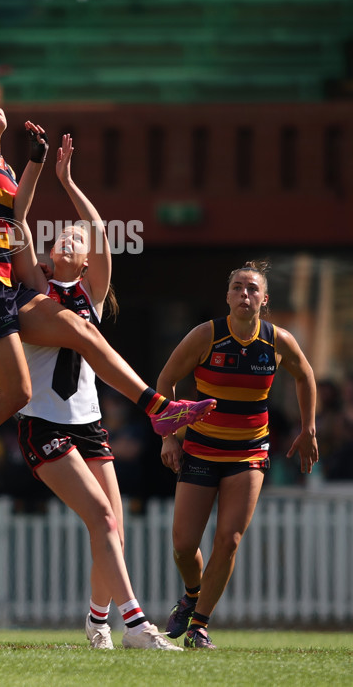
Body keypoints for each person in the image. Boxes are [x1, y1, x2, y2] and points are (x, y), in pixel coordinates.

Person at [0, 4, 216, 526]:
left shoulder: (3, 166)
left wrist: (35, 162)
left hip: (0, 287)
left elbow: (18, 215)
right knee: (18, 393)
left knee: (78, 329)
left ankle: (157, 408)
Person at [11, 130, 182, 651]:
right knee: (104, 519)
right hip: (43, 422)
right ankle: (137, 628)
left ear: (85, 262)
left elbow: (99, 228)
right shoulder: (37, 292)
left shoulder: (94, 296)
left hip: (88, 423)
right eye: (61, 236)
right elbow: (17, 220)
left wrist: (68, 180)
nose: (68, 238)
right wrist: (38, 169)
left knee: (114, 532)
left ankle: (96, 623)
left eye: (76, 241)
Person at [158, 260, 319, 649]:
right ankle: (192, 593)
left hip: (248, 452)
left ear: (264, 299)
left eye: (251, 289)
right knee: (183, 545)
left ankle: (199, 626)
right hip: (199, 447)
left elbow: (305, 375)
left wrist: (308, 428)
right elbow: (166, 380)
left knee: (229, 540)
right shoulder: (205, 336)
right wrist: (170, 436)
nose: (244, 294)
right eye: (237, 288)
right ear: (227, 296)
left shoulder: (277, 340)